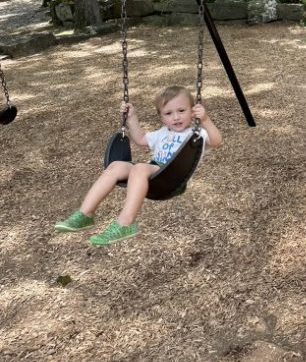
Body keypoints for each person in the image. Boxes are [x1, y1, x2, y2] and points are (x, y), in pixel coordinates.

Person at [54, 86, 223, 246]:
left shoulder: (196, 134)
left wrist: (205, 120)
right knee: (116, 166)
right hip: (154, 172)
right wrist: (131, 117)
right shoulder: (162, 133)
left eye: (181, 110)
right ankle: (85, 214)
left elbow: (217, 141)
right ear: (162, 117)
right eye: (168, 113)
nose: (176, 117)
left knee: (140, 168)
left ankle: (125, 223)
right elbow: (141, 139)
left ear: (193, 111)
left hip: (172, 178)